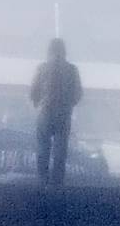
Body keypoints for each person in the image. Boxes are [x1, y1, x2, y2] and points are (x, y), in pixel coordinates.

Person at [29, 38, 83, 186]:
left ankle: (42, 179)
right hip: (64, 113)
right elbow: (78, 93)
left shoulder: (42, 68)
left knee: (43, 146)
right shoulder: (72, 70)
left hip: (45, 111)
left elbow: (33, 91)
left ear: (49, 51)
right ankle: (57, 181)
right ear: (64, 51)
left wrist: (37, 103)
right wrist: (70, 104)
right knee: (60, 148)